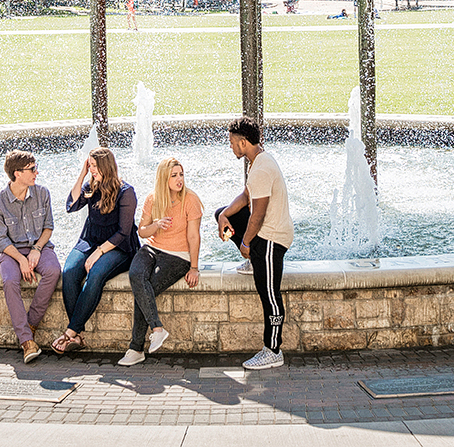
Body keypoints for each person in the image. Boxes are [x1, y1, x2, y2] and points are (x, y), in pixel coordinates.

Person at [214, 116, 293, 370]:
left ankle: (273, 350)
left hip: (271, 238)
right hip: (264, 234)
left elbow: (258, 214)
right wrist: (225, 214)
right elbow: (247, 196)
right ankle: (255, 261)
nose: (230, 147)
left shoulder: (260, 169)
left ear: (244, 142)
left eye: (232, 143)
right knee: (221, 213)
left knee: (269, 294)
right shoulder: (258, 161)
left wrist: (246, 244)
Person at [50, 147, 137, 354]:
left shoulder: (126, 192)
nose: (92, 169)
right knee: (69, 273)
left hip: (118, 247)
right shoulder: (90, 186)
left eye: (95, 166)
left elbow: (123, 233)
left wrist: (98, 253)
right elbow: (71, 205)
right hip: (89, 240)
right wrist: (82, 175)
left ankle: (70, 333)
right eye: (90, 165)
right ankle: (77, 336)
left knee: (95, 274)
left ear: (106, 166)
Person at [117, 157, 202, 366]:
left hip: (178, 255)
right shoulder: (153, 198)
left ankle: (136, 348)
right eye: (174, 175)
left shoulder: (191, 200)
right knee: (136, 275)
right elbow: (142, 231)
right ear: (164, 178)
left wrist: (194, 267)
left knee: (146, 290)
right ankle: (157, 329)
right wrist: (156, 225)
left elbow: (194, 236)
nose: (179, 179)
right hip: (152, 248)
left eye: (181, 174)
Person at [0, 150, 61, 363]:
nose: (36, 173)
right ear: (17, 173)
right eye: (32, 169)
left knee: (53, 271)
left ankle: (29, 325)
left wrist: (37, 250)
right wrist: (21, 259)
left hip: (39, 247)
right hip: (11, 252)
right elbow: (1, 241)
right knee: (10, 281)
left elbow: (48, 227)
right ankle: (27, 342)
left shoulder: (42, 193)